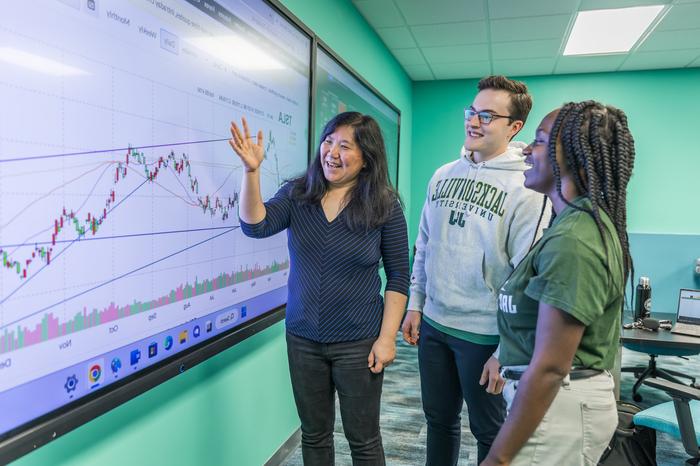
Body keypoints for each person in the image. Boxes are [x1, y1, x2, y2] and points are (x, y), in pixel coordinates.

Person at [229, 112, 409, 465]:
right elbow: (257, 226)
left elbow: (399, 276)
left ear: (367, 157)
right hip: (303, 339)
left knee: (364, 440)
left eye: (346, 146)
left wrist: (387, 338)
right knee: (314, 435)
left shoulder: (384, 206)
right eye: (329, 141)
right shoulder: (299, 194)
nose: (332, 152)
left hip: (359, 342)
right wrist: (252, 173)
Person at [402, 75, 549, 464]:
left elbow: (526, 276)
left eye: (488, 115)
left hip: (484, 336)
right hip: (435, 324)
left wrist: (506, 350)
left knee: (489, 432)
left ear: (514, 127)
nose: (474, 121)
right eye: (472, 111)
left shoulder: (527, 188)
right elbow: (424, 244)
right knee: (439, 420)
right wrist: (416, 303)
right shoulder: (443, 174)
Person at [482, 101, 636, 466]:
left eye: (538, 140)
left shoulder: (576, 239)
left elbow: (551, 367)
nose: (526, 150)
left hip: (558, 411)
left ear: (572, 157)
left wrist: (498, 458)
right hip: (553, 406)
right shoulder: (572, 225)